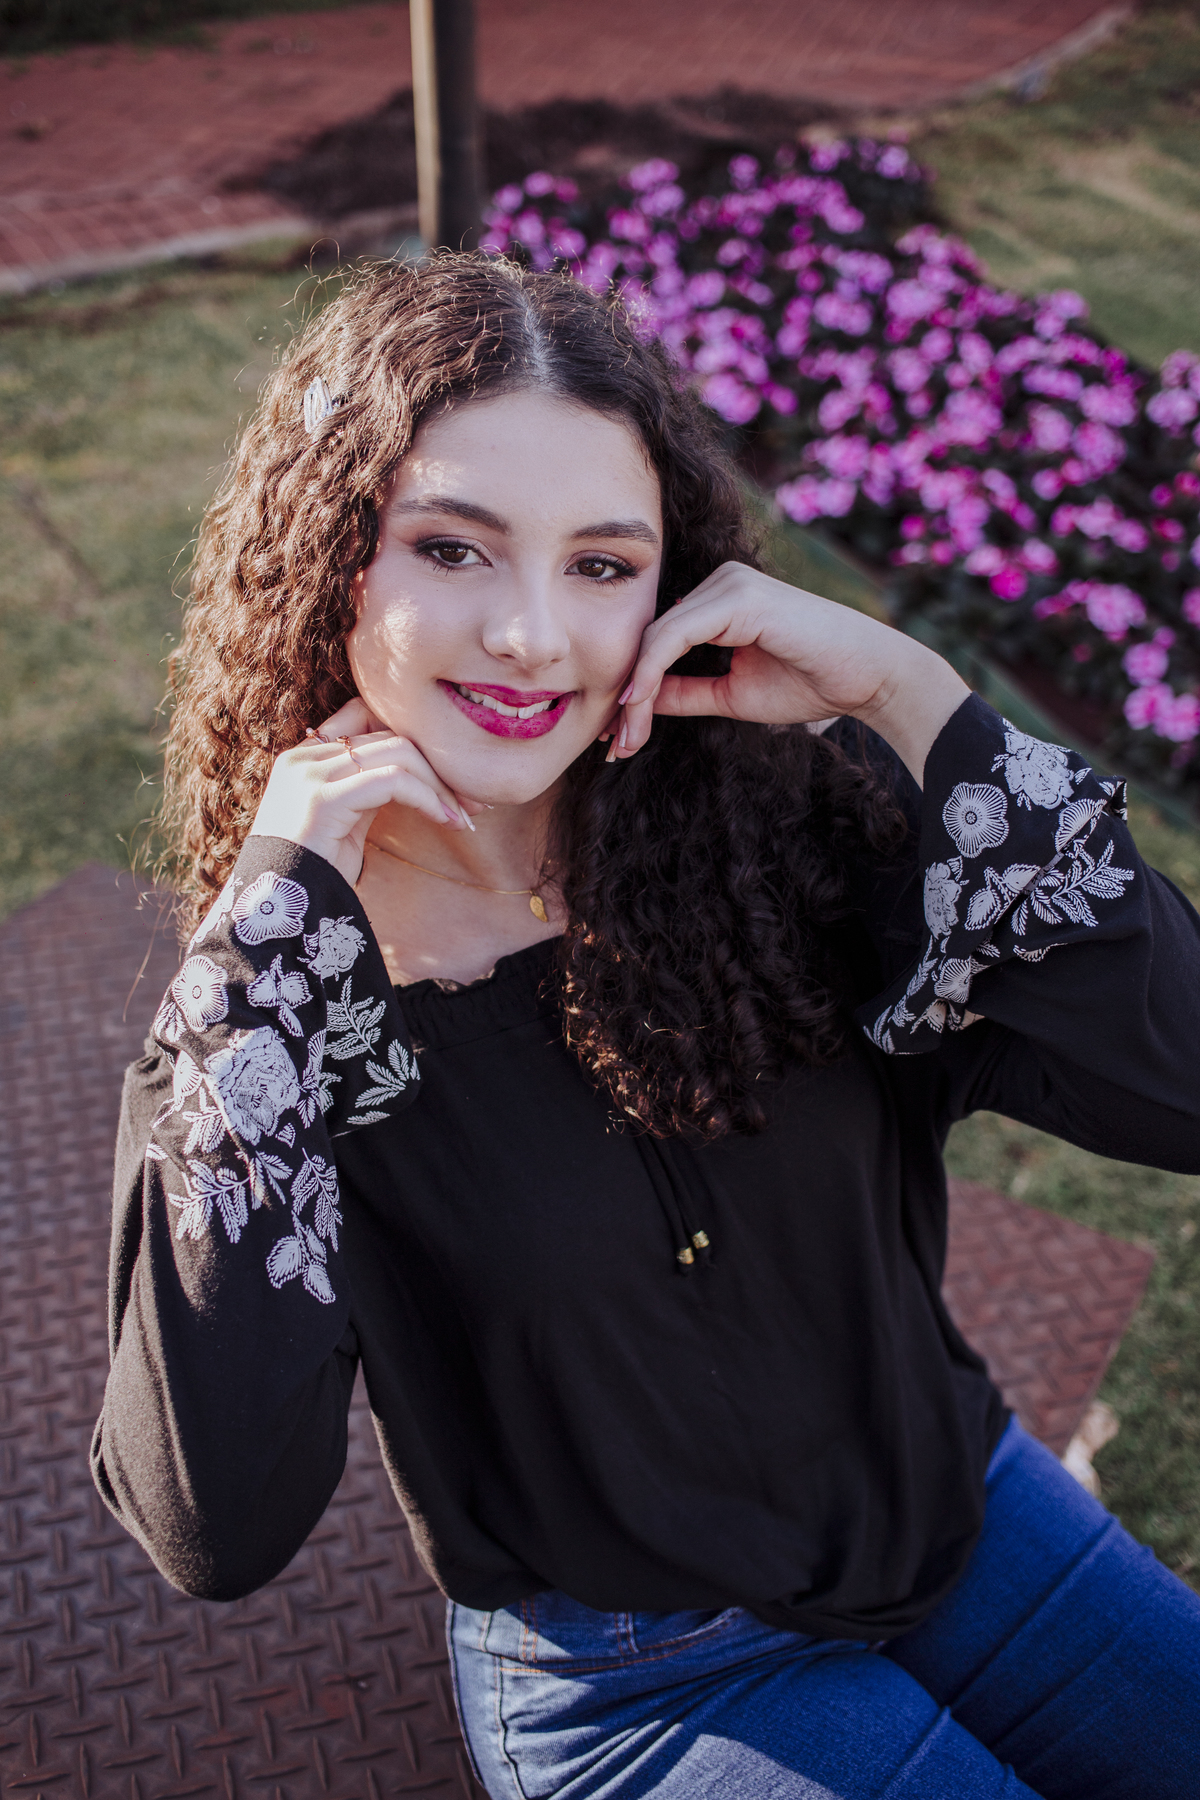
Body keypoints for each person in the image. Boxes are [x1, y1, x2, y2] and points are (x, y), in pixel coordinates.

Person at [92, 255, 1200, 1799]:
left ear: (672, 587)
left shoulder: (796, 826)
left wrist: (907, 693)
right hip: (642, 1680)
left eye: (603, 565)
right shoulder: (280, 1013)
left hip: (963, 1508)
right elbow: (210, 1524)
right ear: (328, 561)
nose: (532, 636)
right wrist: (269, 954)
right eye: (454, 548)